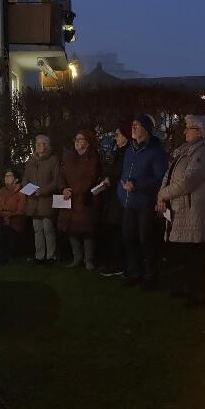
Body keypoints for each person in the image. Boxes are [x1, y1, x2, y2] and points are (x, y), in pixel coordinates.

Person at [157, 115, 205, 306]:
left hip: (194, 212)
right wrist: (162, 195)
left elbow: (188, 181)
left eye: (189, 128)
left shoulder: (203, 154)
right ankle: (185, 288)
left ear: (200, 131)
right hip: (181, 210)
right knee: (184, 253)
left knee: (195, 254)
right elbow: (169, 176)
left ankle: (197, 294)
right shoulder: (183, 152)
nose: (185, 131)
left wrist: (164, 194)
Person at [119, 114, 168, 289]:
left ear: (146, 129)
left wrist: (138, 186)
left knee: (146, 239)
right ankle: (134, 272)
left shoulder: (155, 152)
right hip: (128, 203)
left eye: (137, 125)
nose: (133, 128)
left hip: (145, 203)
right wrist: (121, 191)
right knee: (129, 238)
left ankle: (151, 276)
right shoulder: (130, 150)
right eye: (133, 124)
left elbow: (160, 179)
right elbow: (125, 173)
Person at [58, 130, 102, 270]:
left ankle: (88, 260)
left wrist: (74, 191)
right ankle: (77, 257)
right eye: (76, 139)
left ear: (87, 141)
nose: (77, 141)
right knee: (71, 229)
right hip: (69, 199)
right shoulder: (69, 158)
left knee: (86, 230)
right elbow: (61, 175)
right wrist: (64, 189)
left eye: (80, 139)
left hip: (85, 199)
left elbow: (90, 178)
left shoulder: (92, 158)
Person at [99, 122, 131, 276]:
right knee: (112, 229)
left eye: (117, 135)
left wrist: (110, 178)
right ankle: (114, 262)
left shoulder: (128, 153)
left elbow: (120, 172)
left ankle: (119, 264)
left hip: (120, 196)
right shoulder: (118, 152)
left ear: (126, 136)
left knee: (116, 229)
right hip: (112, 195)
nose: (115, 138)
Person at [23, 135, 60, 264]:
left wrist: (43, 191)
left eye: (42, 143)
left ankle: (51, 256)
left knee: (48, 229)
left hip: (46, 200)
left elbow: (56, 180)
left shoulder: (53, 160)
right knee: (37, 229)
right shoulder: (30, 161)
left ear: (47, 145)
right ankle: (39, 256)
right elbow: (25, 178)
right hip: (34, 201)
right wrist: (28, 189)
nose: (39, 146)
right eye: (37, 143)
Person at [0, 169, 28, 265]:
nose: (6, 178)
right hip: (2, 218)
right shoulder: (3, 191)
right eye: (5, 176)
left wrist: (6, 215)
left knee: (1, 229)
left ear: (16, 179)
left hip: (15, 220)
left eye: (9, 176)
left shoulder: (21, 192)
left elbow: (21, 210)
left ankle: (2, 257)